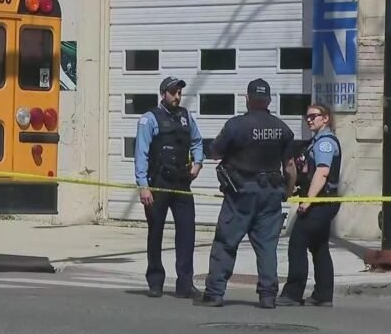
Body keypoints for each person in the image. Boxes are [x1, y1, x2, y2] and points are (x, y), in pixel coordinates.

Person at [196, 78, 297, 309]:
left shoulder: (236, 126)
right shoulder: (282, 128)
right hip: (270, 193)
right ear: (269, 100)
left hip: (240, 194)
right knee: (267, 247)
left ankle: (214, 293)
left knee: (226, 242)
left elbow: (215, 153)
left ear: (247, 98)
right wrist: (288, 191)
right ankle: (268, 296)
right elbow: (290, 166)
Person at [134, 76, 204, 298]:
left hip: (182, 182)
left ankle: (185, 284)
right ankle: (155, 281)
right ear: (163, 94)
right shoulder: (149, 119)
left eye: (179, 92)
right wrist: (143, 186)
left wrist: (198, 163)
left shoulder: (185, 116)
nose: (177, 96)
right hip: (159, 183)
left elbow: (197, 141)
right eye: (173, 92)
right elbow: (141, 153)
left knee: (187, 232)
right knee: (156, 232)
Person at [276, 103, 341, 307]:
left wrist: (308, 200)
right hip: (322, 201)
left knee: (297, 243)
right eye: (308, 117)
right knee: (319, 246)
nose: (310, 120)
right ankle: (323, 295)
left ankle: (293, 293)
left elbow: (322, 172)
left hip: (320, 202)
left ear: (326, 118)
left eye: (314, 116)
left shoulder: (325, 143)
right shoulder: (316, 141)